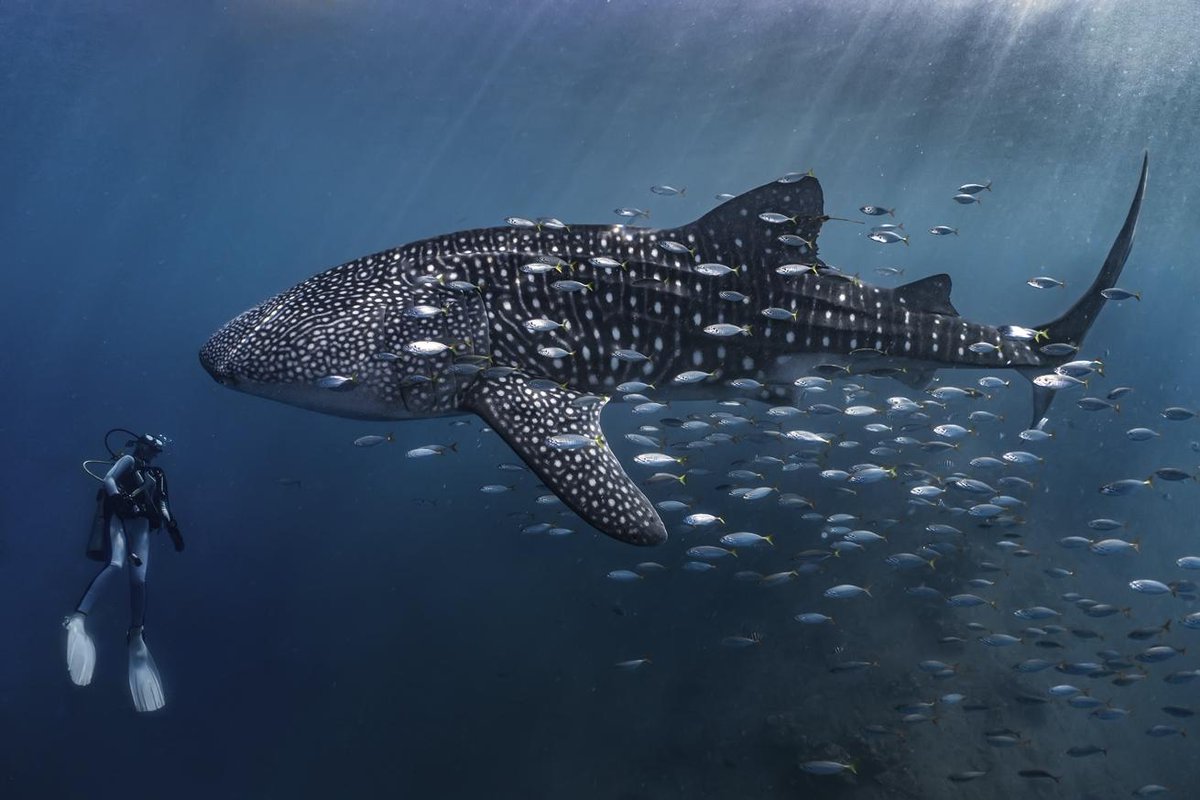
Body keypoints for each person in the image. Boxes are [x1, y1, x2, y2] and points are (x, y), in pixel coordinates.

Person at [65, 429, 184, 712]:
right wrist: (118, 499)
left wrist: (172, 526)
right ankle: (79, 618)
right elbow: (108, 480)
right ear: (140, 446)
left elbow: (163, 502)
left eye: (154, 451)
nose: (150, 454)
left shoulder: (157, 475)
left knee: (139, 580)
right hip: (121, 517)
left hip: (142, 522)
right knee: (117, 564)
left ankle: (136, 635)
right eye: (148, 448)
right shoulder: (128, 461)